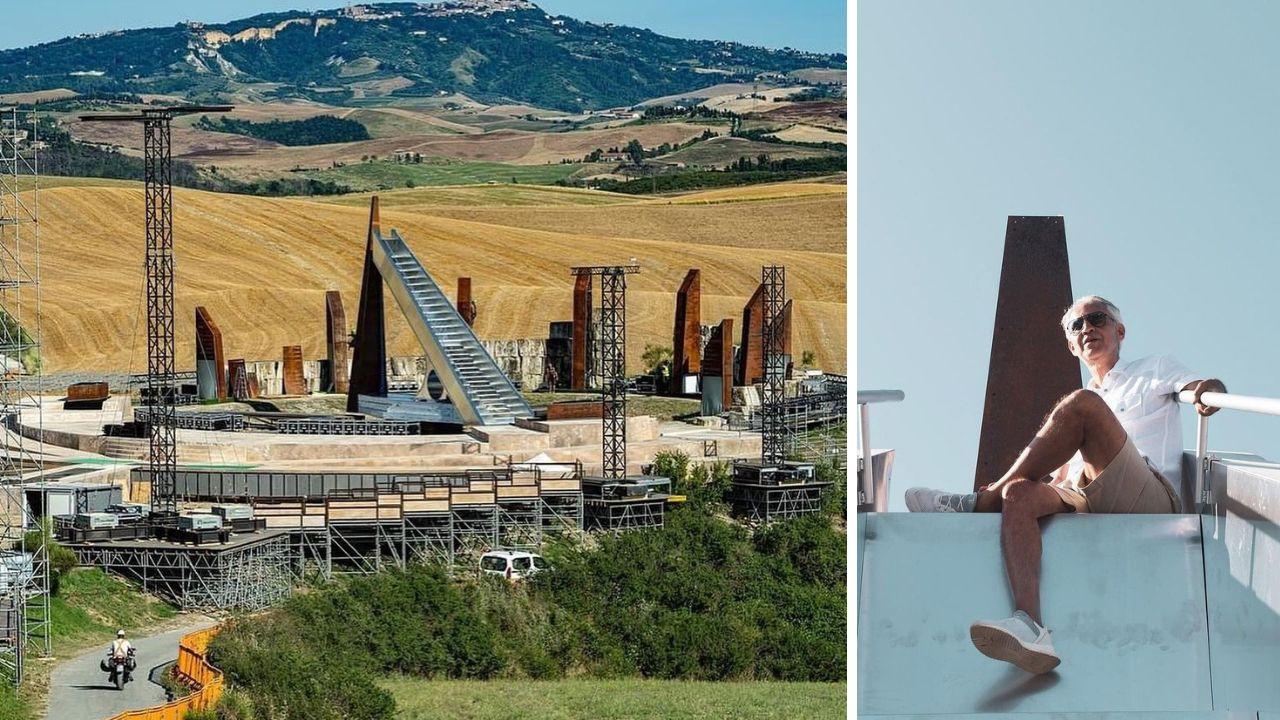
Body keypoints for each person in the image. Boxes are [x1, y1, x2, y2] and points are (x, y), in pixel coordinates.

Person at [903, 295, 1226, 674]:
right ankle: (1030, 626)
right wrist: (1027, 487)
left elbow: (1198, 386)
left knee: (1082, 405)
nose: (1087, 328)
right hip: (1088, 494)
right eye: (1077, 326)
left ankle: (982, 502)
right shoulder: (1080, 413)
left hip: (1148, 496)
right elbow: (1061, 479)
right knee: (1018, 494)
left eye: (1097, 319)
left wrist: (1208, 392)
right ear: (1071, 345)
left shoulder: (1151, 369)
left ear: (1119, 331)